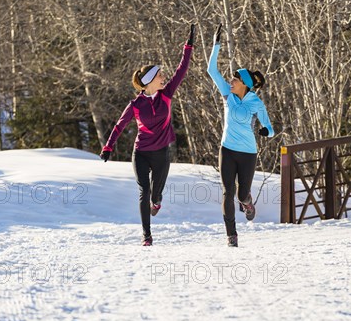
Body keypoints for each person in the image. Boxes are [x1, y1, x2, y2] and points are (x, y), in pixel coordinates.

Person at [99, 24, 195, 246]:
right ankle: (146, 235)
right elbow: (119, 125)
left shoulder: (167, 94)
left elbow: (182, 69)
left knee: (155, 194)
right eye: (160, 75)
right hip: (141, 153)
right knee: (144, 191)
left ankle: (157, 201)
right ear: (150, 80)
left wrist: (188, 47)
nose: (164, 77)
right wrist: (108, 147)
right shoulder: (135, 105)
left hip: (161, 153)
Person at [207, 24, 275, 247]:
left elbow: (269, 126)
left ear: (244, 84)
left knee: (240, 194)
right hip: (227, 150)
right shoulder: (228, 95)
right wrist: (216, 45)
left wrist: (266, 131)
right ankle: (231, 235)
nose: (231, 81)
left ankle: (247, 202)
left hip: (247, 153)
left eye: (235, 79)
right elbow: (211, 71)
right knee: (228, 192)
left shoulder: (256, 102)